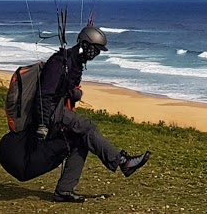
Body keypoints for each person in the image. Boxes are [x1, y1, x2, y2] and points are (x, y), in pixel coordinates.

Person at [38, 23, 150, 203]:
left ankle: (63, 191)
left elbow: (64, 88)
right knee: (87, 127)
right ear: (85, 45)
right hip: (50, 111)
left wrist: (74, 93)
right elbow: (45, 93)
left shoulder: (76, 64)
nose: (96, 54)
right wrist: (42, 124)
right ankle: (123, 162)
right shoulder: (60, 61)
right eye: (95, 49)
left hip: (57, 109)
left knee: (80, 141)